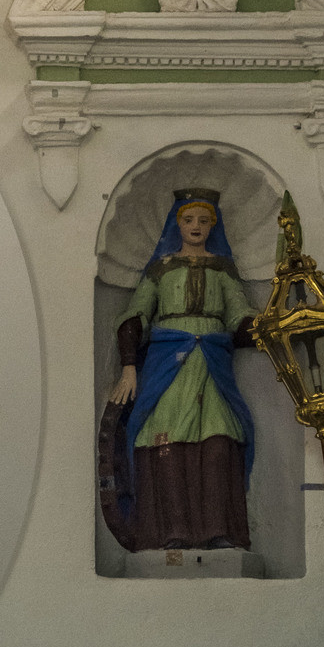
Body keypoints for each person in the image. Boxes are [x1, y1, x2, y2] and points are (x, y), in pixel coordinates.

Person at [104, 188, 257, 550]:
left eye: (204, 221)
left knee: (219, 445)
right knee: (165, 443)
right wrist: (129, 368)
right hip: (168, 366)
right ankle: (170, 532)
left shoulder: (222, 269)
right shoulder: (162, 269)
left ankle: (219, 530)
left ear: (213, 227)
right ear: (178, 223)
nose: (196, 226)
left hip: (212, 367)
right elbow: (136, 314)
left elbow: (239, 316)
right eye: (189, 219)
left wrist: (273, 329)